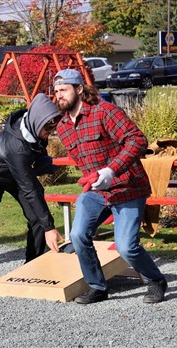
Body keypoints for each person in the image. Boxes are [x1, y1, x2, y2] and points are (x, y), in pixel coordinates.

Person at [53, 68, 168, 304]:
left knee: (126, 247)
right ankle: (97, 286)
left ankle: (156, 280)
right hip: (95, 191)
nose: (59, 95)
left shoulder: (104, 112)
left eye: (63, 90)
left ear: (79, 89)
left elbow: (137, 140)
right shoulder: (63, 126)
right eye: (55, 91)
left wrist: (111, 170)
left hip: (127, 187)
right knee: (77, 236)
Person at [0, 93, 64, 292]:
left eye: (52, 128)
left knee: (36, 217)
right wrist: (50, 228)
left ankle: (32, 265)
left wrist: (45, 161)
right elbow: (31, 190)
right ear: (38, 123)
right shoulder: (17, 146)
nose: (50, 133)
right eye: (48, 129)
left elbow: (36, 153)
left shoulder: (35, 126)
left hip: (17, 173)